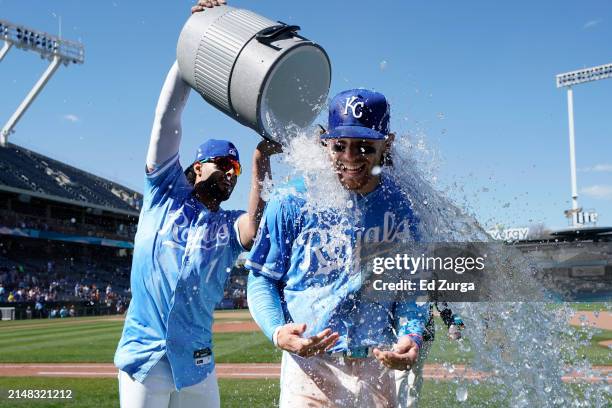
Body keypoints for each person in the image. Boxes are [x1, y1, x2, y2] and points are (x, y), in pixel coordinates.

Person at [113, 2, 280, 407]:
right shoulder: (163, 192)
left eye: (234, 170)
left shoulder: (226, 225)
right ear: (196, 165)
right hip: (144, 361)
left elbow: (253, 230)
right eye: (222, 164)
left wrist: (259, 164)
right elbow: (166, 117)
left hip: (197, 363)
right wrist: (196, 40)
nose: (229, 173)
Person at [246, 89, 429, 407]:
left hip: (377, 365)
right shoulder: (291, 200)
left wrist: (410, 335)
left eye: (364, 147)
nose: (350, 157)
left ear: (388, 143)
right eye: (339, 146)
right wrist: (278, 332)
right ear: (324, 143)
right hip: (309, 369)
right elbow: (262, 278)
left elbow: (411, 289)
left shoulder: (403, 206)